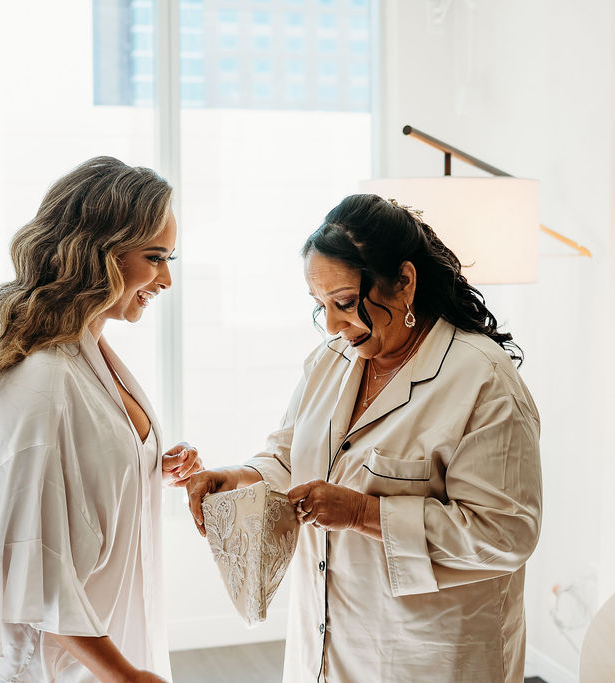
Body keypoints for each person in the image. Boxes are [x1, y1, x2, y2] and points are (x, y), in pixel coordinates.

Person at [186, 194, 542, 682]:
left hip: (427, 657)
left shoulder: (483, 382)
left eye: (346, 303)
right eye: (321, 306)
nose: (332, 325)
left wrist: (361, 513)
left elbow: (506, 535)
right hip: (325, 643)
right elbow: (290, 455)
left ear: (404, 283)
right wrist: (240, 477)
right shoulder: (330, 362)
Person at [0, 156, 202, 683]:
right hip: (64, 665)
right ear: (100, 251)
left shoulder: (90, 355)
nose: (166, 278)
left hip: (110, 634)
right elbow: (26, 569)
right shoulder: (42, 378)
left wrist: (147, 464)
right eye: (155, 257)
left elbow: (78, 478)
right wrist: (125, 675)